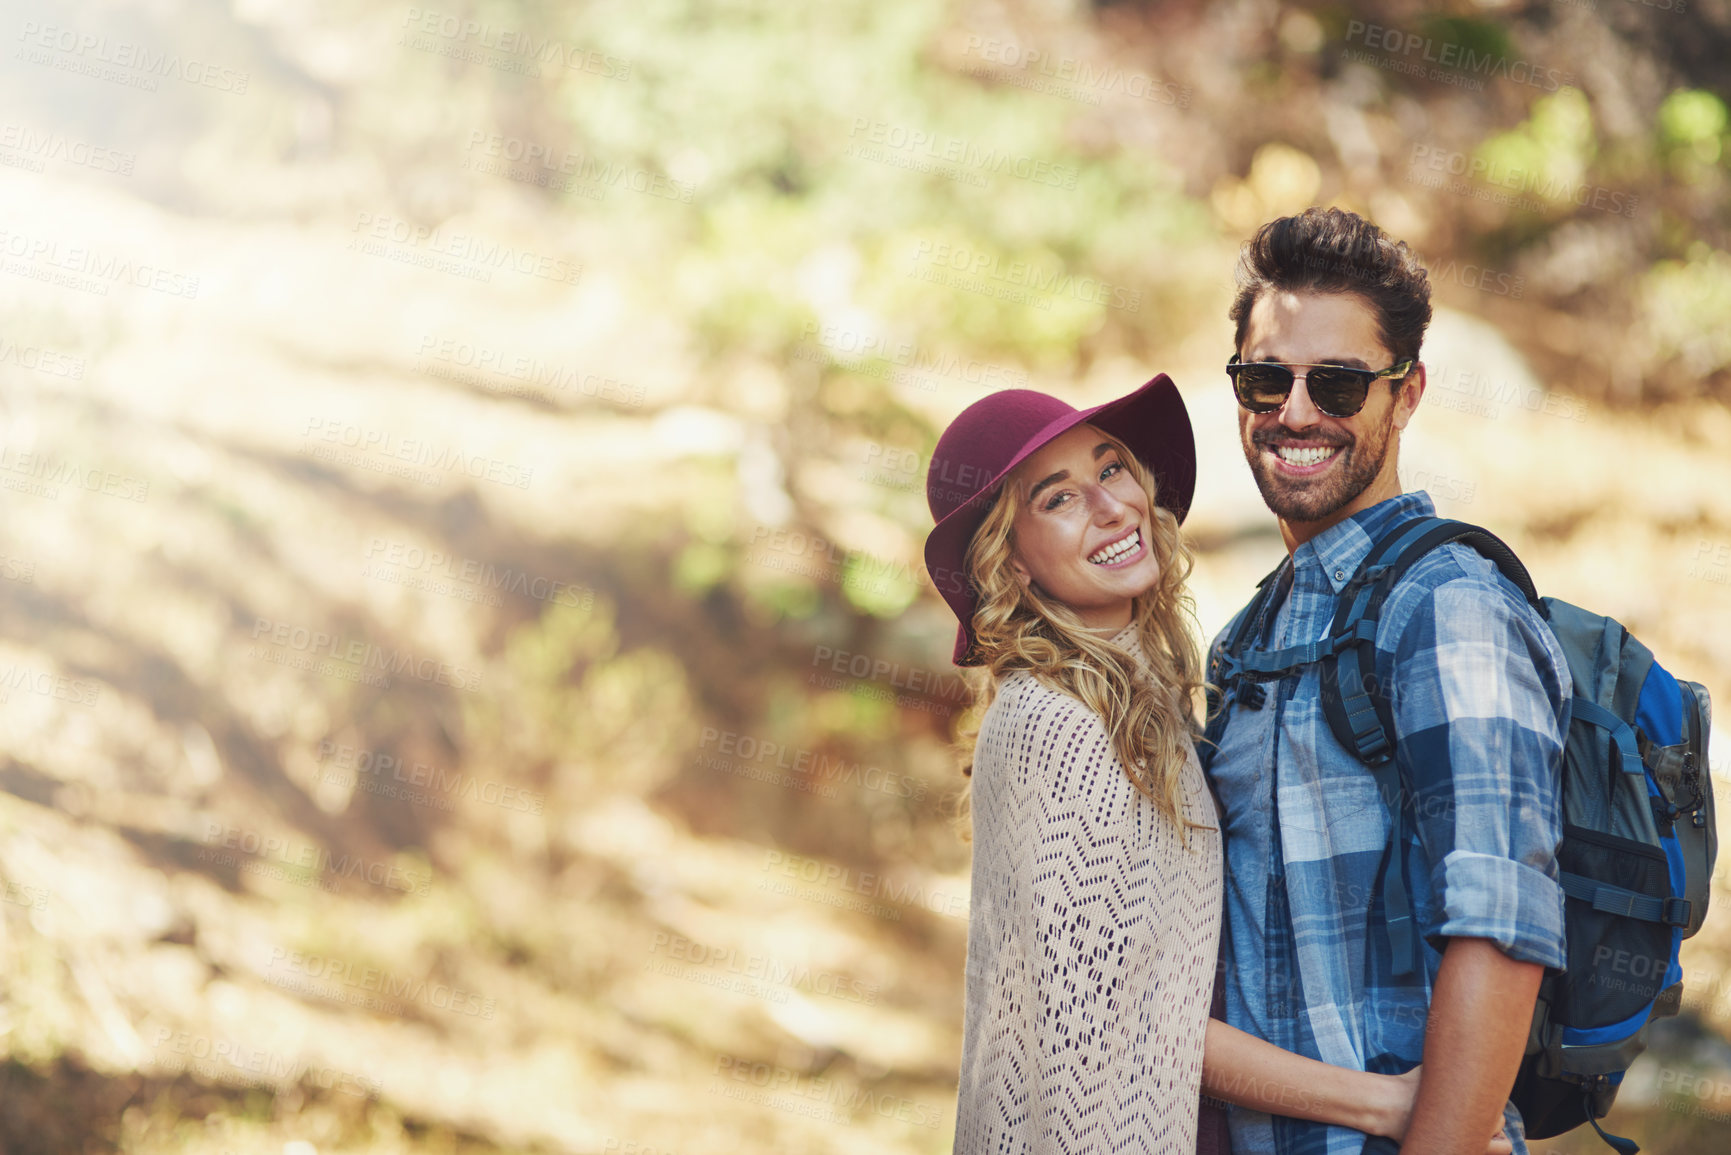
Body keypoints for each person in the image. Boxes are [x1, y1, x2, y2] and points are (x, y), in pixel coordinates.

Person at [923, 380, 1513, 1154]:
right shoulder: (1053, 723)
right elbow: (1132, 1023)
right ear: (1013, 562)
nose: (1109, 508)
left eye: (1110, 470)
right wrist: (1387, 1103)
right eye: (1057, 500)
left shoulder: (1139, 696)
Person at [1202, 207, 1571, 1155]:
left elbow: (1500, 926)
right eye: (1263, 379)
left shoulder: (1446, 606)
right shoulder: (1253, 632)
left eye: (1336, 384)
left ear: (1403, 396)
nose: (1294, 414)